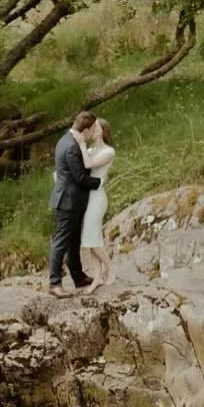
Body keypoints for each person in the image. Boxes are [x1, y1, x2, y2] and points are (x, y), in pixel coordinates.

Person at [47, 110, 102, 296]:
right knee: (61, 242)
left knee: (73, 241)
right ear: (86, 130)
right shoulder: (71, 146)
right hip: (68, 200)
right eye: (93, 128)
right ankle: (54, 283)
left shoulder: (64, 140)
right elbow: (79, 177)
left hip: (71, 200)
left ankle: (78, 277)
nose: (94, 131)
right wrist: (99, 182)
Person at [80, 119, 116, 285]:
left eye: (95, 127)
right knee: (91, 239)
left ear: (103, 131)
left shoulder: (108, 152)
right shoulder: (90, 149)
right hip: (87, 197)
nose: (92, 130)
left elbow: (89, 164)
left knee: (91, 239)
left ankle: (110, 269)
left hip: (97, 198)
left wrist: (80, 144)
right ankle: (97, 275)